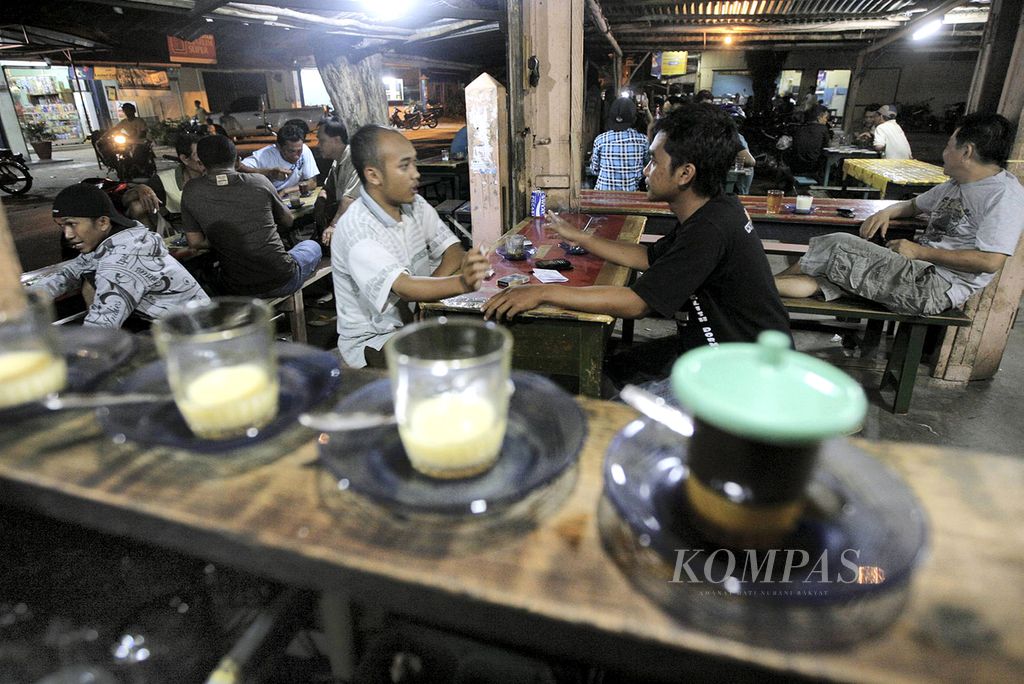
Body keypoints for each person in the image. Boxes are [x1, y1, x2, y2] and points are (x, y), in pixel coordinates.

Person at [483, 104, 791, 385]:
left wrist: (542, 291)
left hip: (745, 373)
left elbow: (637, 303)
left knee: (602, 390)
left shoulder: (710, 228)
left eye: (654, 162)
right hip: (714, 349)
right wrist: (581, 238)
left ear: (685, 173)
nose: (646, 171)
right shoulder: (716, 209)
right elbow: (647, 256)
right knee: (606, 370)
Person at [775, 113, 1024, 316]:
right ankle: (744, 292)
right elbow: (913, 206)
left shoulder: (1004, 195)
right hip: (914, 273)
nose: (944, 153)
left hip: (934, 286)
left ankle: (750, 294)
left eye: (949, 146)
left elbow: (991, 261)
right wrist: (887, 212)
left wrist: (920, 252)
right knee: (822, 275)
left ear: (966, 152)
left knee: (837, 244)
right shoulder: (955, 184)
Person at [331, 125, 488, 368]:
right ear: (374, 175)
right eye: (405, 166)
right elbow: (405, 288)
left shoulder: (413, 204)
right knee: (457, 365)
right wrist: (461, 283)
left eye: (414, 163)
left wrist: (423, 302)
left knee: (481, 338)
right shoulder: (357, 229)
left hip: (414, 323)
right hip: (373, 341)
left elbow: (453, 252)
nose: (416, 174)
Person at [29, 183, 207, 328]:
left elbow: (101, 328)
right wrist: (24, 298)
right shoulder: (120, 238)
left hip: (190, 336)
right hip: (172, 325)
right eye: (62, 226)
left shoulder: (121, 260)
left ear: (103, 222)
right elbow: (71, 271)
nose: (67, 234)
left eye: (72, 224)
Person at [180, 135, 322, 297]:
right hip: (282, 280)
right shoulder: (259, 182)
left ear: (201, 163)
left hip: (237, 287)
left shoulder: (191, 190)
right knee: (312, 246)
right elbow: (288, 221)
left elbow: (195, 242)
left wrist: (225, 238)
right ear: (237, 160)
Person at [122, 131, 205, 235]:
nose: (206, 157)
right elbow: (125, 200)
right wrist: (141, 189)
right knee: (137, 206)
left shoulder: (217, 174)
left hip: (213, 229)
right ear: (185, 159)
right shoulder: (164, 180)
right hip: (181, 232)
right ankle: (150, 242)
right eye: (199, 154)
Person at [314, 117, 361, 249]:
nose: (318, 145)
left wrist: (333, 226)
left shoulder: (355, 159)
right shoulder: (337, 161)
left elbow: (350, 198)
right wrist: (321, 200)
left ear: (336, 140)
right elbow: (327, 187)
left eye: (321, 140)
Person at [240, 124, 319, 197]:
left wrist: (285, 191)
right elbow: (238, 168)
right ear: (279, 147)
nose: (297, 156)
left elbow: (312, 183)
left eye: (299, 151)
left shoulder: (304, 149)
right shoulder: (264, 155)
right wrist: (269, 172)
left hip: (288, 196)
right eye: (291, 151)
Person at [590, 97, 649, 191]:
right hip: (631, 196)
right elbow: (647, 168)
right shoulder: (643, 141)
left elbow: (594, 170)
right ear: (634, 119)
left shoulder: (600, 140)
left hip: (602, 197)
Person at [788, 104, 832, 177]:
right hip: (812, 166)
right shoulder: (822, 129)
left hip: (795, 165)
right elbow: (827, 146)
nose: (826, 120)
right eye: (826, 117)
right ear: (819, 117)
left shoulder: (800, 127)